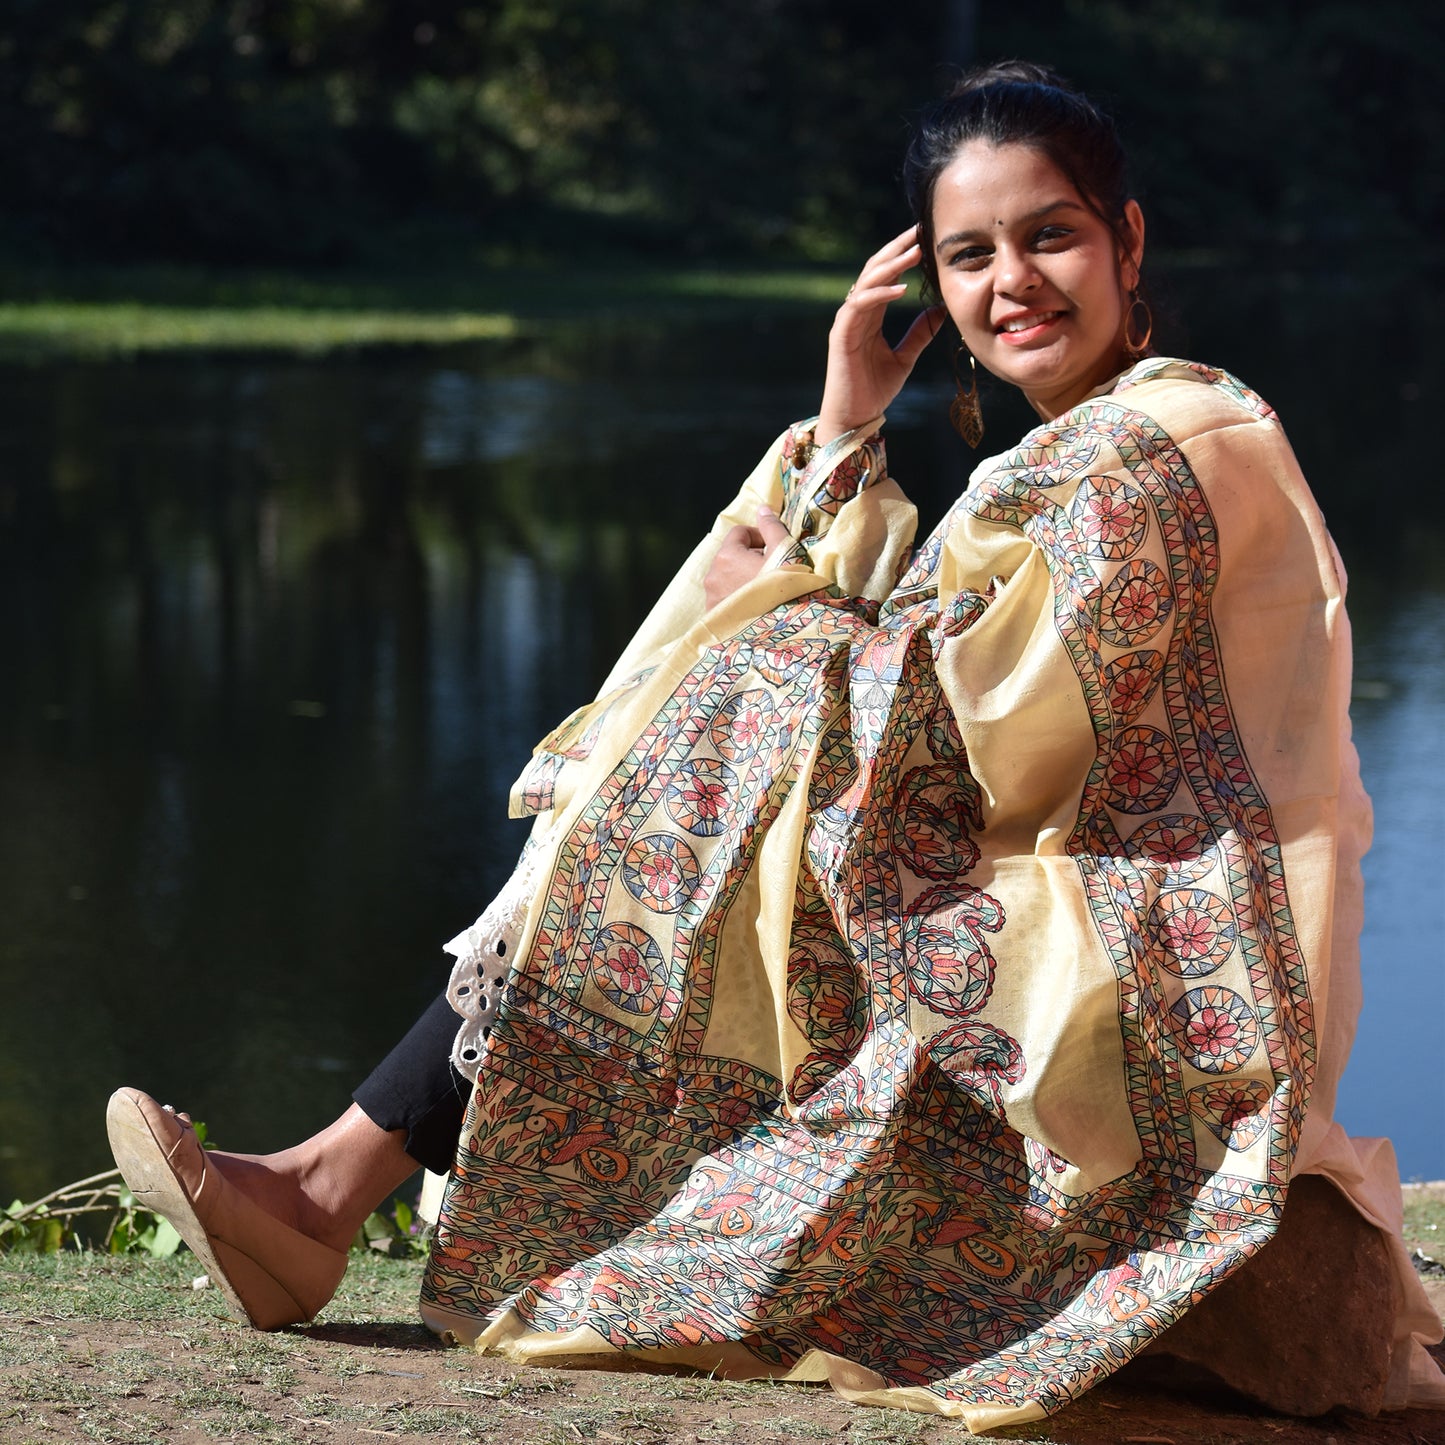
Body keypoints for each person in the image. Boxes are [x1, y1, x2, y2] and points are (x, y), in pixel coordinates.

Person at [107, 62, 1445, 1432]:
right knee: (722, 724)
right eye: (966, 255)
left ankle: (329, 1183)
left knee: (726, 710)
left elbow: (973, 711)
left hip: (1143, 965)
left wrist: (762, 647)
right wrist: (849, 412)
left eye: (1049, 235)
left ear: (1128, 241)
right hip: (1043, 909)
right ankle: (328, 1183)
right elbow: (928, 667)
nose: (1011, 284)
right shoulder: (1076, 449)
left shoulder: (1166, 442)